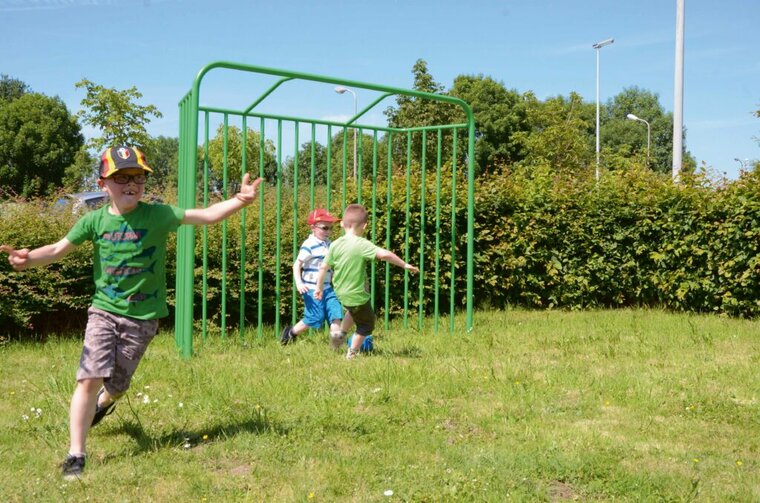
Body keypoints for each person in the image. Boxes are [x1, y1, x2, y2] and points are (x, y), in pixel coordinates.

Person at [0, 146, 263, 480]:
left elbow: (206, 215)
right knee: (89, 378)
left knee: (118, 385)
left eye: (137, 177)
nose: (131, 184)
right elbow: (57, 249)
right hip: (104, 312)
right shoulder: (93, 220)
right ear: (104, 183)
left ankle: (105, 404)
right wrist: (29, 259)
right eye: (121, 177)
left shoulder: (158, 215)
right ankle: (76, 454)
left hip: (143, 318)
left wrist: (240, 200)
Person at [314, 203, 419, 360]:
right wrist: (404, 265)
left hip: (341, 292)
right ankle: (351, 354)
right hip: (357, 294)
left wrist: (319, 288)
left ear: (342, 224)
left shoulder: (335, 244)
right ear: (364, 226)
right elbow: (384, 255)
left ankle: (339, 335)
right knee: (366, 324)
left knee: (353, 310)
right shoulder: (362, 244)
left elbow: (323, 268)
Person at [280, 208, 353, 349]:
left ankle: (335, 348)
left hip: (327, 288)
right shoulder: (309, 244)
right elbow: (297, 265)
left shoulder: (329, 244)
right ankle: (290, 334)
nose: (328, 231)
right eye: (325, 228)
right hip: (312, 288)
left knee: (335, 314)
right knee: (315, 317)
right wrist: (299, 283)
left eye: (331, 228)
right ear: (313, 227)